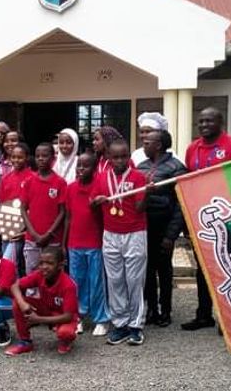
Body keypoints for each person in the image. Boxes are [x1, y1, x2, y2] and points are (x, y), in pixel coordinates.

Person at [181, 107, 231, 331]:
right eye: (200, 121)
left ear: (220, 122)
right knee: (204, 268)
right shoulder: (193, 148)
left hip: (230, 218)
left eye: (209, 121)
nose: (203, 125)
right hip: (202, 219)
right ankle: (204, 315)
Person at [92, 139, 148, 346]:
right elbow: (92, 202)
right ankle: (120, 324)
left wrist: (147, 192)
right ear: (109, 158)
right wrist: (95, 202)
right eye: (115, 157)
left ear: (129, 157)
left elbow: (141, 207)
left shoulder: (139, 177)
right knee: (114, 280)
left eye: (124, 156)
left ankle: (136, 325)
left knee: (134, 280)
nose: (120, 160)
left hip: (134, 233)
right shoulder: (101, 178)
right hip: (111, 234)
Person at [136, 130, 187, 328]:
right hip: (144, 227)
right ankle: (150, 309)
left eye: (147, 142)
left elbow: (181, 204)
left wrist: (171, 235)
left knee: (164, 270)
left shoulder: (177, 168)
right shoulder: (141, 166)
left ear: (158, 145)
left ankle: (165, 310)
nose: (143, 145)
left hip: (164, 227)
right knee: (146, 270)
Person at [64, 152, 110, 337]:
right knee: (77, 282)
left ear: (94, 168)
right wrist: (64, 242)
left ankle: (101, 319)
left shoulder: (99, 187)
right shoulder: (71, 188)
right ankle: (79, 316)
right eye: (79, 166)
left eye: (86, 166)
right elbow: (68, 217)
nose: (81, 169)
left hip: (94, 242)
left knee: (96, 282)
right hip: (74, 243)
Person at [4, 247, 79, 356]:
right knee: (17, 303)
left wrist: (39, 319)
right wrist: (22, 303)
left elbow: (68, 316)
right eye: (41, 263)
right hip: (46, 308)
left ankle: (66, 341)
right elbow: (15, 285)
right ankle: (25, 342)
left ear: (60, 265)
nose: (44, 267)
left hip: (63, 316)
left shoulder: (68, 285)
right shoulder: (39, 274)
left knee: (65, 333)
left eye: (49, 263)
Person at [21, 143, 67, 274]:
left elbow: (62, 212)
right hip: (32, 239)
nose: (41, 159)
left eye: (45, 156)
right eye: (37, 156)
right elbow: (23, 209)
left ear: (53, 158)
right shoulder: (29, 181)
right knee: (32, 273)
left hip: (53, 240)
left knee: (53, 274)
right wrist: (34, 234)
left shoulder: (60, 182)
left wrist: (49, 234)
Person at [0, 142, 35, 270]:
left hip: (23, 228)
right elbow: (1, 202)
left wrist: (24, 231)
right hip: (7, 226)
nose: (16, 160)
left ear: (27, 158)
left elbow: (33, 207)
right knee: (12, 265)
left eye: (20, 157)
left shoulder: (32, 178)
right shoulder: (6, 178)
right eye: (13, 157)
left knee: (8, 262)